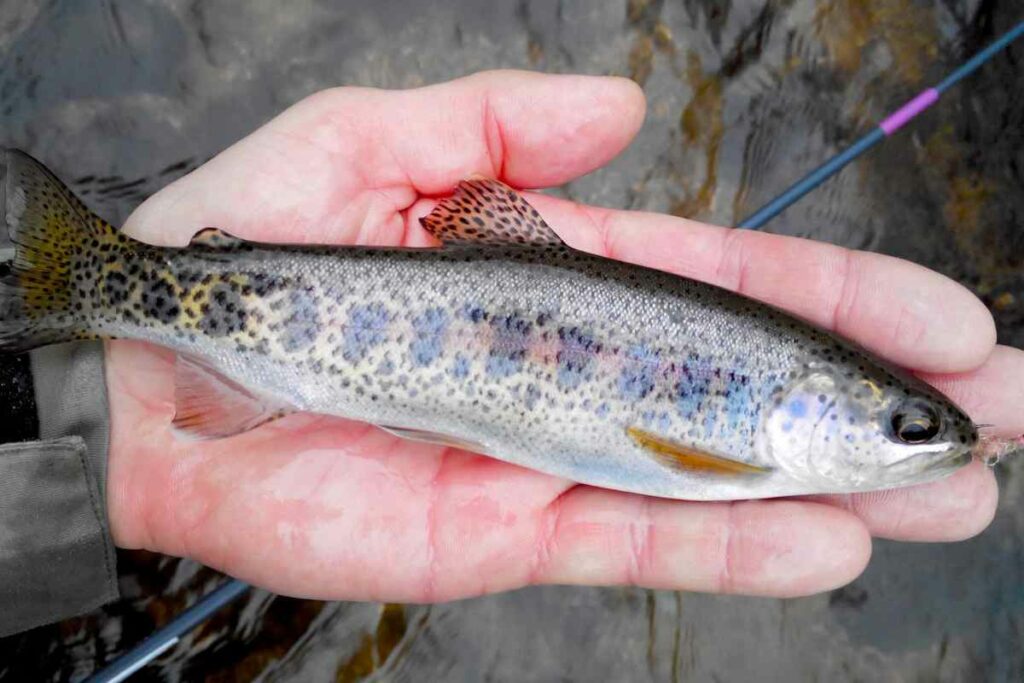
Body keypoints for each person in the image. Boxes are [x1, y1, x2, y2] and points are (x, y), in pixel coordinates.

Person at [1, 71, 1014, 636]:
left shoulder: (762, 445)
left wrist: (65, 425)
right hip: (270, 329)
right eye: (904, 425)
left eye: (910, 427)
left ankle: (85, 291)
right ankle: (92, 286)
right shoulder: (738, 455)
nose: (915, 437)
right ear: (818, 396)